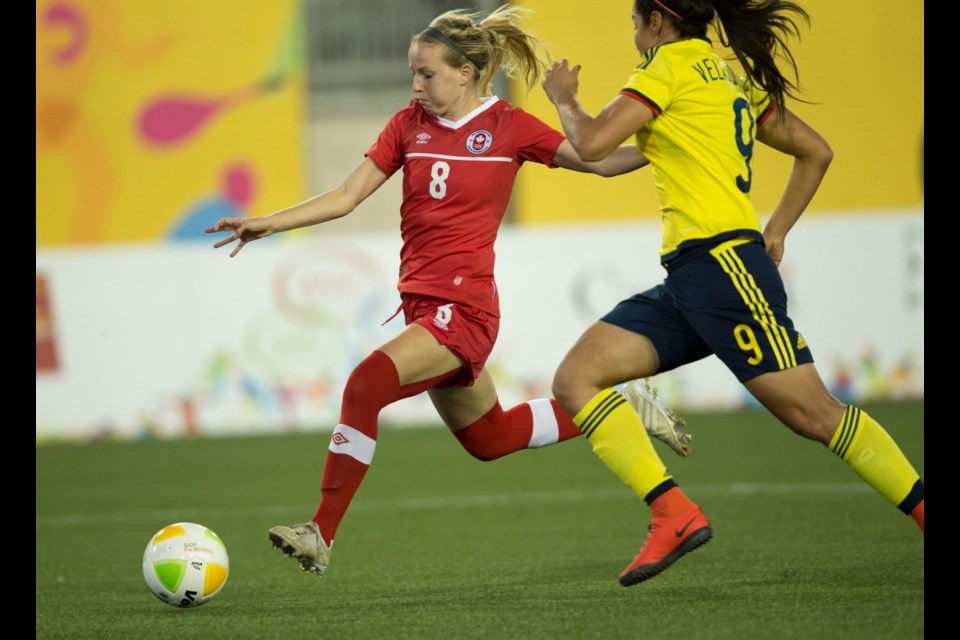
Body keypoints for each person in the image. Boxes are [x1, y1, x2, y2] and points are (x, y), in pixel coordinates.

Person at [206, 5, 687, 578]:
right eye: (413, 72)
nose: (416, 85)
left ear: (466, 72)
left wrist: (678, 150)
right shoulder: (408, 123)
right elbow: (345, 195)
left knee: (365, 385)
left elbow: (600, 163)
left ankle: (320, 533)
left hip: (464, 310)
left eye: (426, 73)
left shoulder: (509, 125)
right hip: (423, 307)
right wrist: (268, 222)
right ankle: (617, 403)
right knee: (492, 437)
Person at [541, 0, 924, 587]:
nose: (635, 36)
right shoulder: (731, 74)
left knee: (816, 417)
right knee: (576, 379)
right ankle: (672, 512)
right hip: (692, 279)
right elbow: (815, 151)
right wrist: (776, 230)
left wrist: (565, 97)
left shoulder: (664, 68)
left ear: (658, 23)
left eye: (635, 24)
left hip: (723, 270)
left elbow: (592, 143)